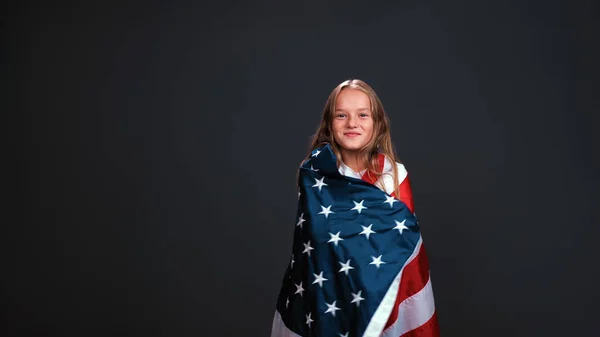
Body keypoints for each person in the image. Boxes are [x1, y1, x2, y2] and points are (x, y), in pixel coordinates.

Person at [270, 79, 440, 337]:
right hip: (327, 298)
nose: (352, 123)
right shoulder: (314, 175)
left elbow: (399, 252)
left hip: (379, 300)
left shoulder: (393, 176)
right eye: (342, 115)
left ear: (377, 123)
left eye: (363, 115)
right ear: (329, 123)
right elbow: (314, 248)